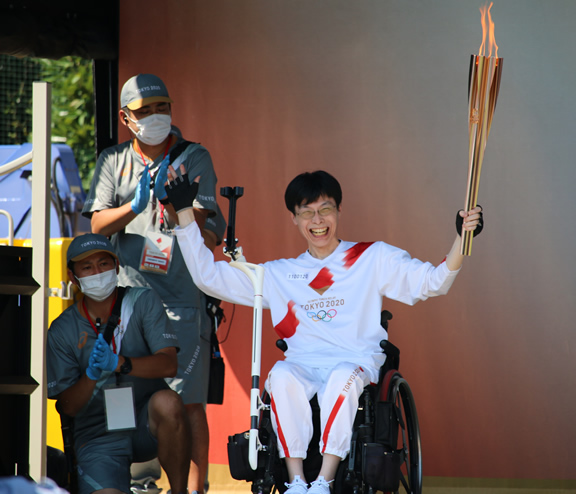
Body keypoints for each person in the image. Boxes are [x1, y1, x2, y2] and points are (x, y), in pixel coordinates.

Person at [164, 168, 483, 494]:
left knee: (339, 380)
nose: (317, 220)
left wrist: (461, 238)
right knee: (282, 376)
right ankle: (297, 481)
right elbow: (208, 278)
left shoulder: (370, 257)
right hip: (303, 362)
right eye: (307, 213)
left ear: (339, 210)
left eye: (325, 209)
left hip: (354, 358)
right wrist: (185, 214)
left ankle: (324, 480)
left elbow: (432, 282)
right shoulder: (280, 274)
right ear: (294, 218)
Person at [82, 73, 225, 494]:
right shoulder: (113, 161)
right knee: (121, 393)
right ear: (127, 118)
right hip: (127, 303)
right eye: (146, 111)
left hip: (182, 302)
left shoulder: (193, 156)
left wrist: (180, 207)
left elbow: (212, 231)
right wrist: (135, 205)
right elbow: (96, 223)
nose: (157, 116)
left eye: (163, 106)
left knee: (188, 402)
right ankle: (127, 480)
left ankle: (193, 490)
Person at [46, 233, 190, 494]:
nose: (97, 272)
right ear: (72, 276)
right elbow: (66, 405)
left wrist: (121, 363)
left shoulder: (143, 301)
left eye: (104, 264)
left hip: (144, 420)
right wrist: (91, 376)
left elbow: (169, 365)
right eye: (87, 267)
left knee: (170, 403)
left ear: (117, 267)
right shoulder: (61, 330)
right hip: (97, 435)